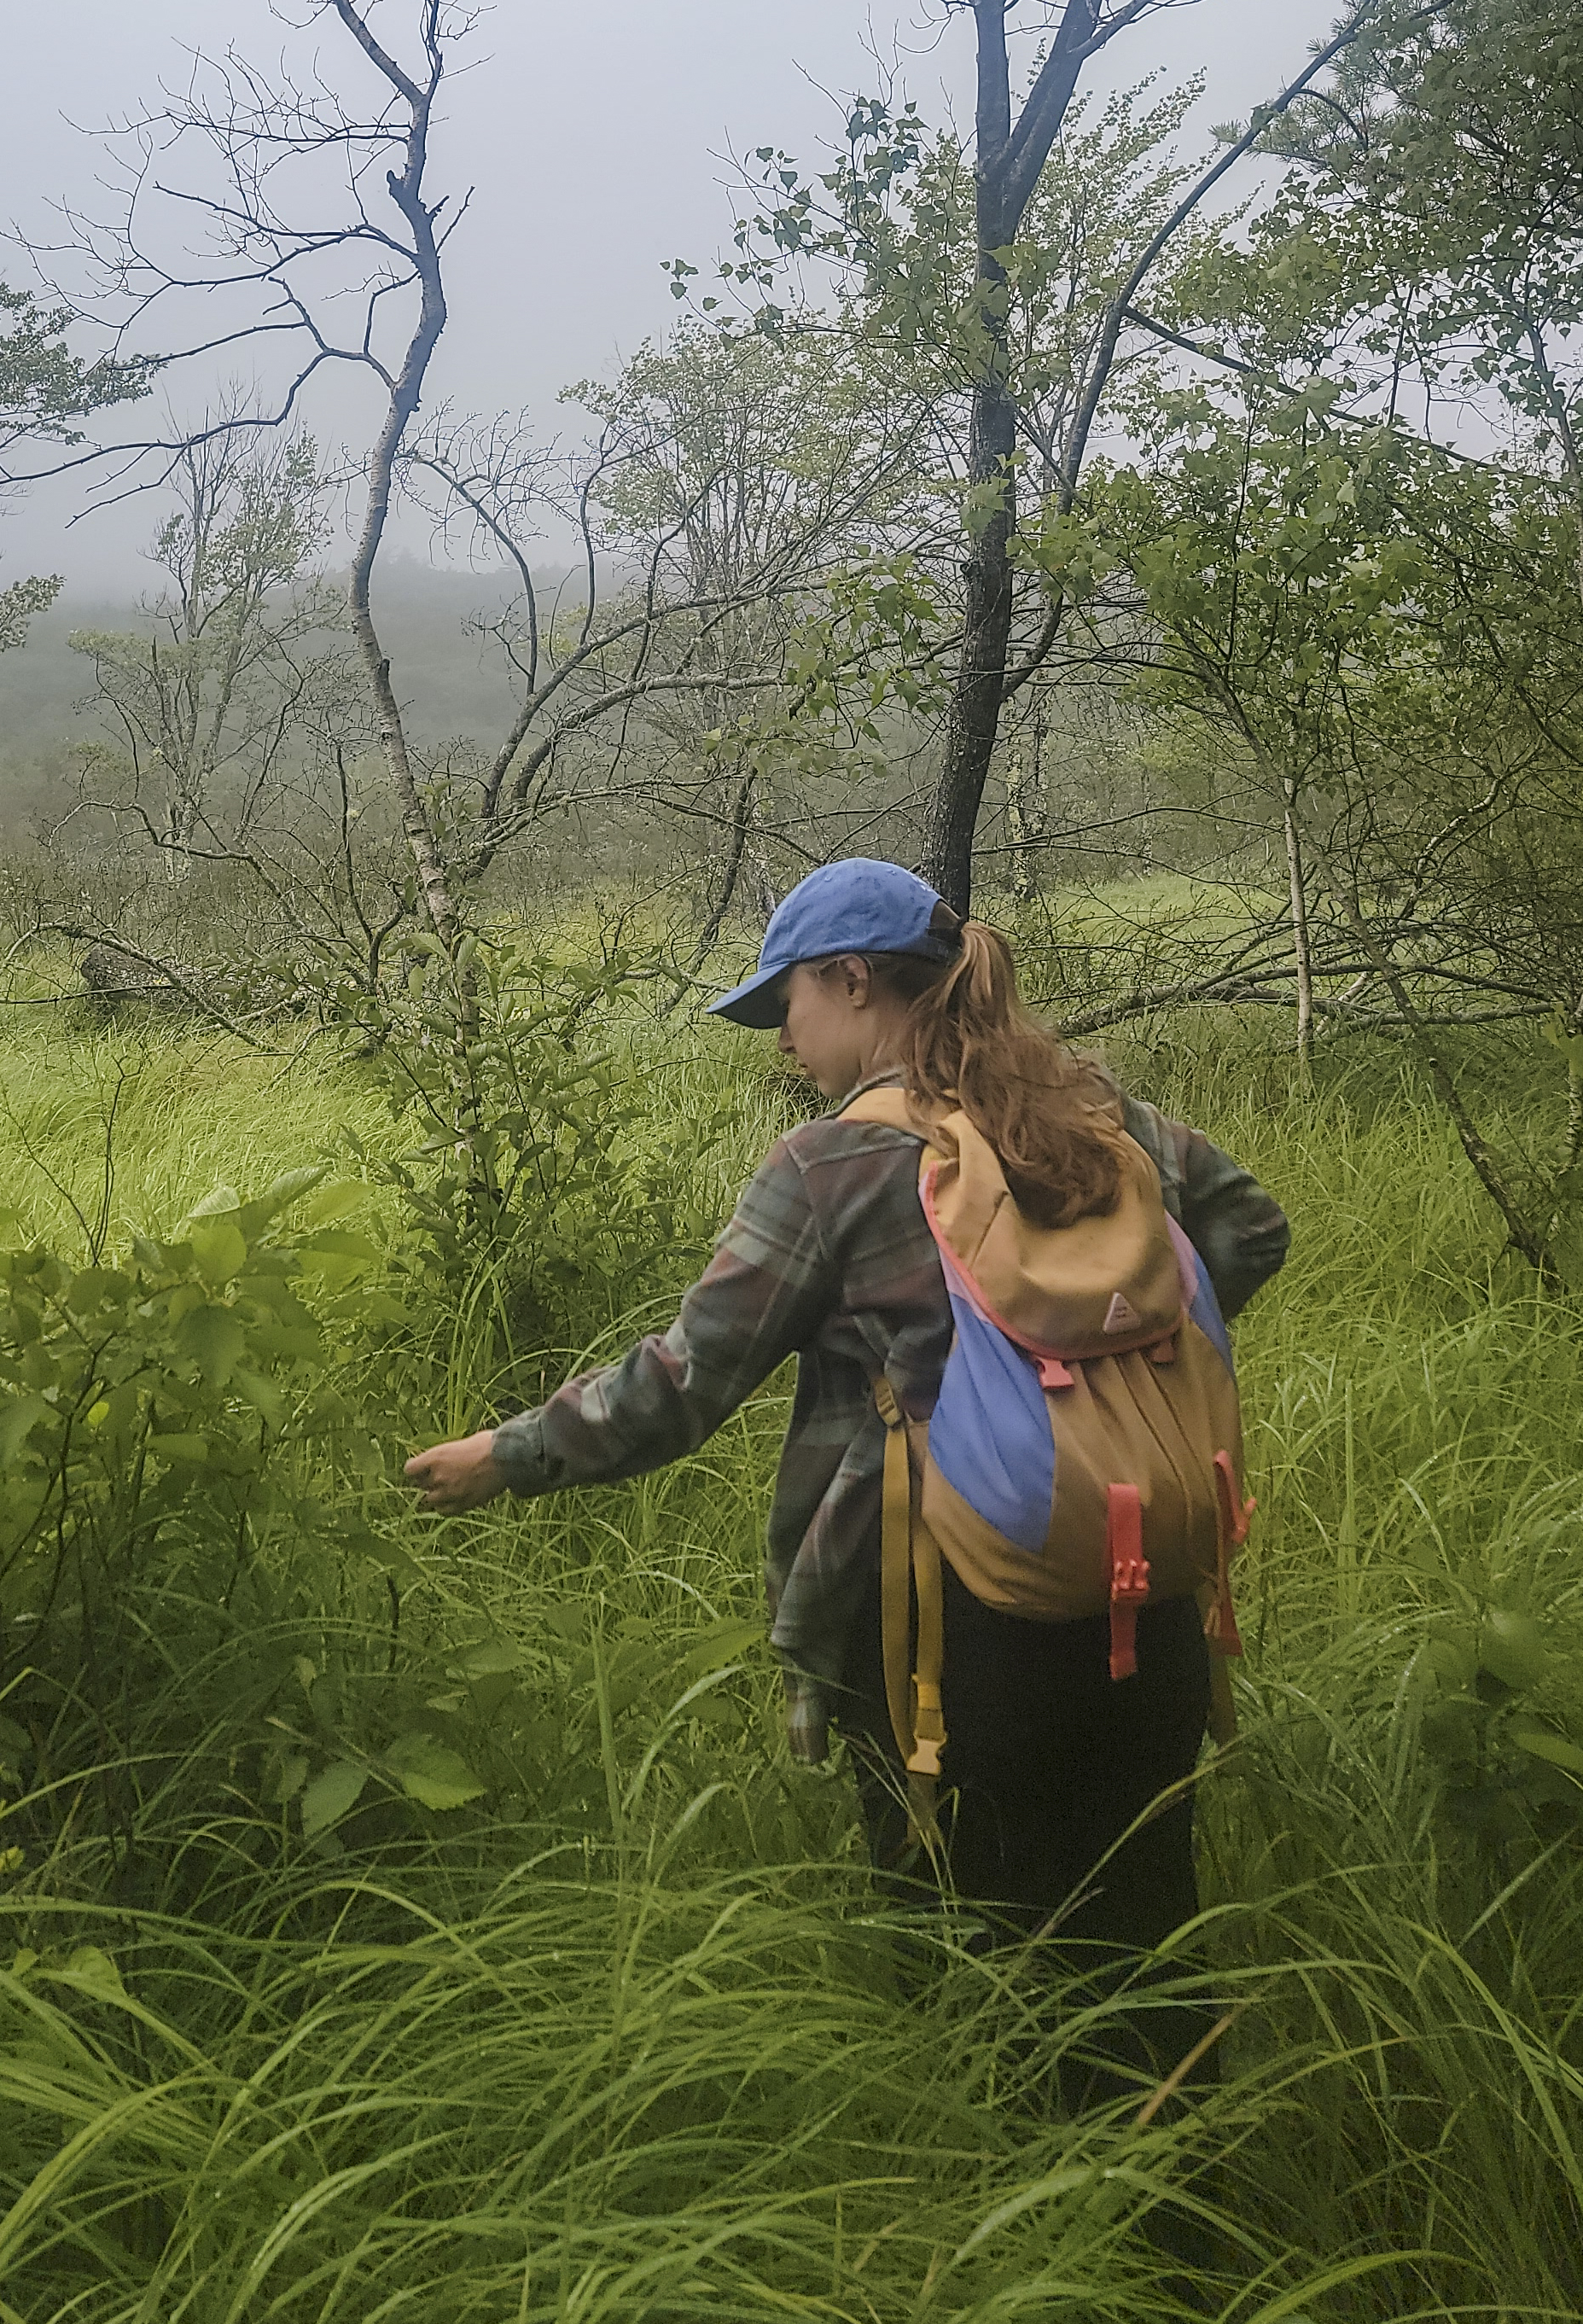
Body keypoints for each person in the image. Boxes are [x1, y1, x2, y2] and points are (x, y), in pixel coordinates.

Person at [404, 856, 1287, 2094]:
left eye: (788, 1009)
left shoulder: (828, 1165)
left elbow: (681, 1382)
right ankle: (1189, 2226)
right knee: (1144, 1934)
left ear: (855, 982)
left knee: (976, 1970)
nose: (785, 1047)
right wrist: (1100, 1371)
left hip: (938, 1628)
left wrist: (507, 1452)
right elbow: (1253, 1229)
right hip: (1147, 1597)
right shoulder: (1107, 1117)